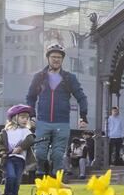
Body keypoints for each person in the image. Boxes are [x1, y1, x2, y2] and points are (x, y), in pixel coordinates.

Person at [26, 42, 90, 175]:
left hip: (62, 122)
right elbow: (31, 97)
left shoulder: (69, 78)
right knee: (40, 153)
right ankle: (41, 175)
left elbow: (81, 97)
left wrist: (83, 117)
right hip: (43, 122)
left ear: (62, 59)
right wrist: (31, 116)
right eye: (53, 57)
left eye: (59, 57)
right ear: (48, 58)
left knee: (57, 155)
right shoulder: (39, 77)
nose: (56, 59)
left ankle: (56, 180)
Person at [0, 104, 36, 195]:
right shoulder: (6, 132)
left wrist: (21, 148)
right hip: (9, 158)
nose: (25, 120)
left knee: (17, 180)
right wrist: (2, 151)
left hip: (20, 160)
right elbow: (0, 143)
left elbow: (30, 140)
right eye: (23, 117)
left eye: (27, 118)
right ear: (15, 118)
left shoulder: (26, 131)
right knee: (11, 176)